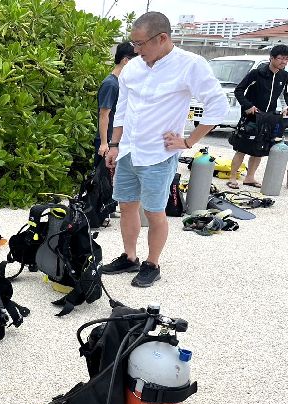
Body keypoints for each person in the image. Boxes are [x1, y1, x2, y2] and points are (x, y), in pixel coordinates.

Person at [102, 12, 228, 287]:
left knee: (155, 211)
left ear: (162, 38)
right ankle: (129, 256)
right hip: (128, 152)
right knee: (126, 206)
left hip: (158, 155)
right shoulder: (133, 68)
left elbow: (218, 106)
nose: (135, 50)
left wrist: (188, 141)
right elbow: (122, 109)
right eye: (132, 43)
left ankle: (152, 263)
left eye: (140, 44)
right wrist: (113, 145)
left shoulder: (190, 65)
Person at [227, 44, 288, 189]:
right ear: (271, 58)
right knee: (242, 147)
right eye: (280, 59)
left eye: (286, 59)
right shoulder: (257, 73)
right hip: (252, 116)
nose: (284, 62)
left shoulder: (284, 76)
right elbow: (239, 90)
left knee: (260, 148)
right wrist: (247, 106)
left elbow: (286, 93)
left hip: (268, 117)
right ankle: (232, 177)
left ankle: (250, 177)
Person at [95, 41, 137, 167]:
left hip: (116, 140)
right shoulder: (111, 84)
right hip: (107, 141)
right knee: (102, 183)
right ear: (126, 60)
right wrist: (104, 143)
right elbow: (103, 115)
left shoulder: (122, 82)